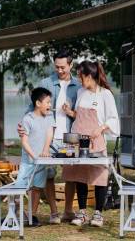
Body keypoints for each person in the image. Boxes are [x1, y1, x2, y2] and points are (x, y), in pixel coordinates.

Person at [17, 49, 81, 223]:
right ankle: (54, 212)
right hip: (48, 137)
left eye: (63, 67)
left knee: (71, 174)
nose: (59, 70)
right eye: (56, 67)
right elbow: (33, 107)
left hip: (71, 136)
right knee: (48, 173)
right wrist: (22, 125)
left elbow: (81, 114)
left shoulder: (79, 86)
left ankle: (68, 210)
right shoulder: (46, 82)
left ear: (71, 64)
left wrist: (70, 111)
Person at [62, 60, 120, 227]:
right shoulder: (80, 92)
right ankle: (81, 213)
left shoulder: (105, 94)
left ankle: (98, 214)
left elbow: (113, 118)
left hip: (95, 140)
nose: (79, 80)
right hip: (76, 140)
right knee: (79, 176)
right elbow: (78, 117)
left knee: (99, 177)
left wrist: (101, 128)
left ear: (88, 76)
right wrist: (69, 112)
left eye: (81, 76)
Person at [13, 87, 58, 225]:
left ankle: (30, 215)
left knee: (37, 188)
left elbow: (50, 134)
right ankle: (15, 212)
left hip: (42, 161)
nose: (50, 105)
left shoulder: (49, 117)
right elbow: (25, 142)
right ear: (38, 103)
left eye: (50, 103)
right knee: (21, 187)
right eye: (48, 102)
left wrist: (45, 150)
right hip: (29, 161)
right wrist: (34, 156)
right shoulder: (28, 119)